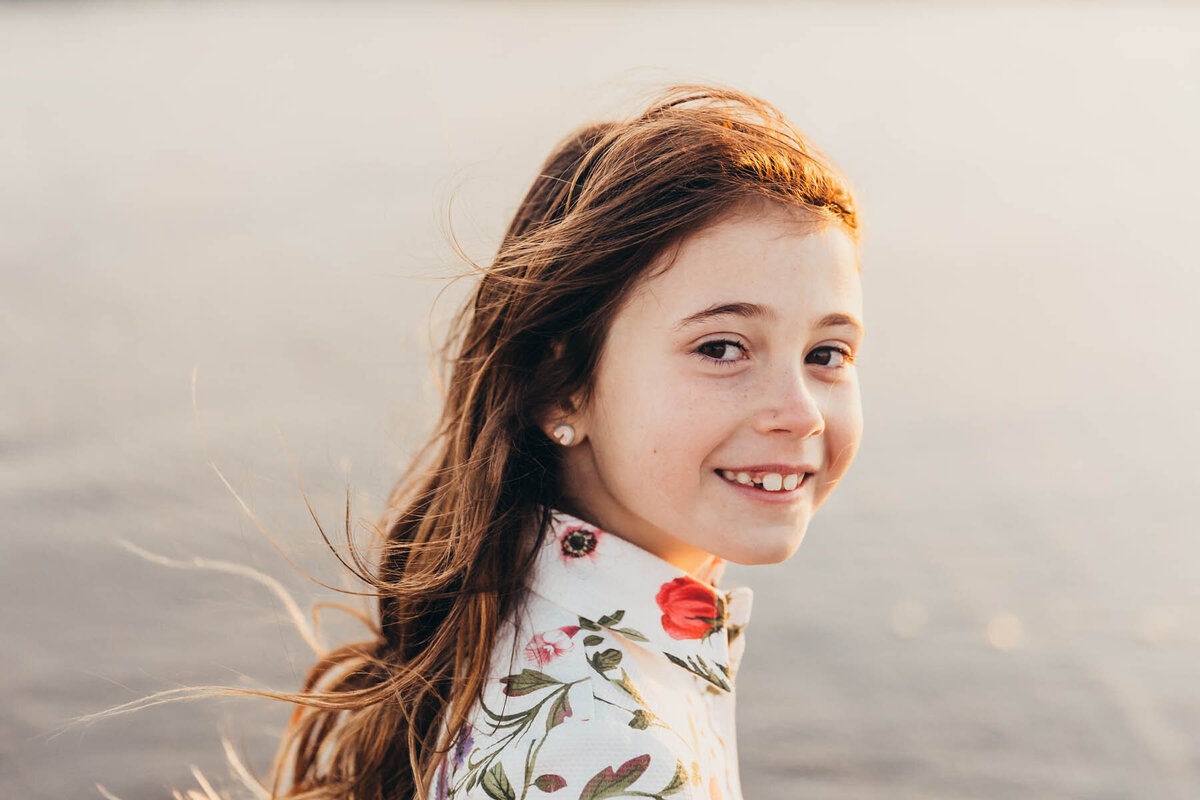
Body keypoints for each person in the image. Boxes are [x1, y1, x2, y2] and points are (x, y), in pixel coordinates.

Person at [122, 83, 865, 800]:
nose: (798, 413)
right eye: (723, 347)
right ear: (562, 388)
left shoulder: (524, 617)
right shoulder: (615, 755)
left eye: (826, 355)